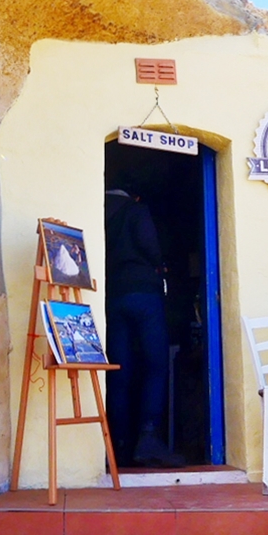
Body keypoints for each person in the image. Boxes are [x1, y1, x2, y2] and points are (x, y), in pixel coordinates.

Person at [104, 187, 173, 465]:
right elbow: (149, 244)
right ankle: (148, 438)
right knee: (155, 365)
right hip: (144, 294)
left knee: (120, 370)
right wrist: (161, 265)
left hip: (114, 295)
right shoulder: (136, 210)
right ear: (133, 194)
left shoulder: (100, 211)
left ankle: (118, 444)